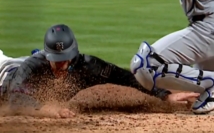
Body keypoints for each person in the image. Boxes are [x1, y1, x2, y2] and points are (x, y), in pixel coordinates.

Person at [0, 24, 199, 118]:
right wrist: (47, 110)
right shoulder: (33, 66)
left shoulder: (87, 66)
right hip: (5, 71)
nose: (60, 65)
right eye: (55, 60)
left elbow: (125, 78)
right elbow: (16, 99)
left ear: (72, 55)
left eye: (64, 60)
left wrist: (164, 96)